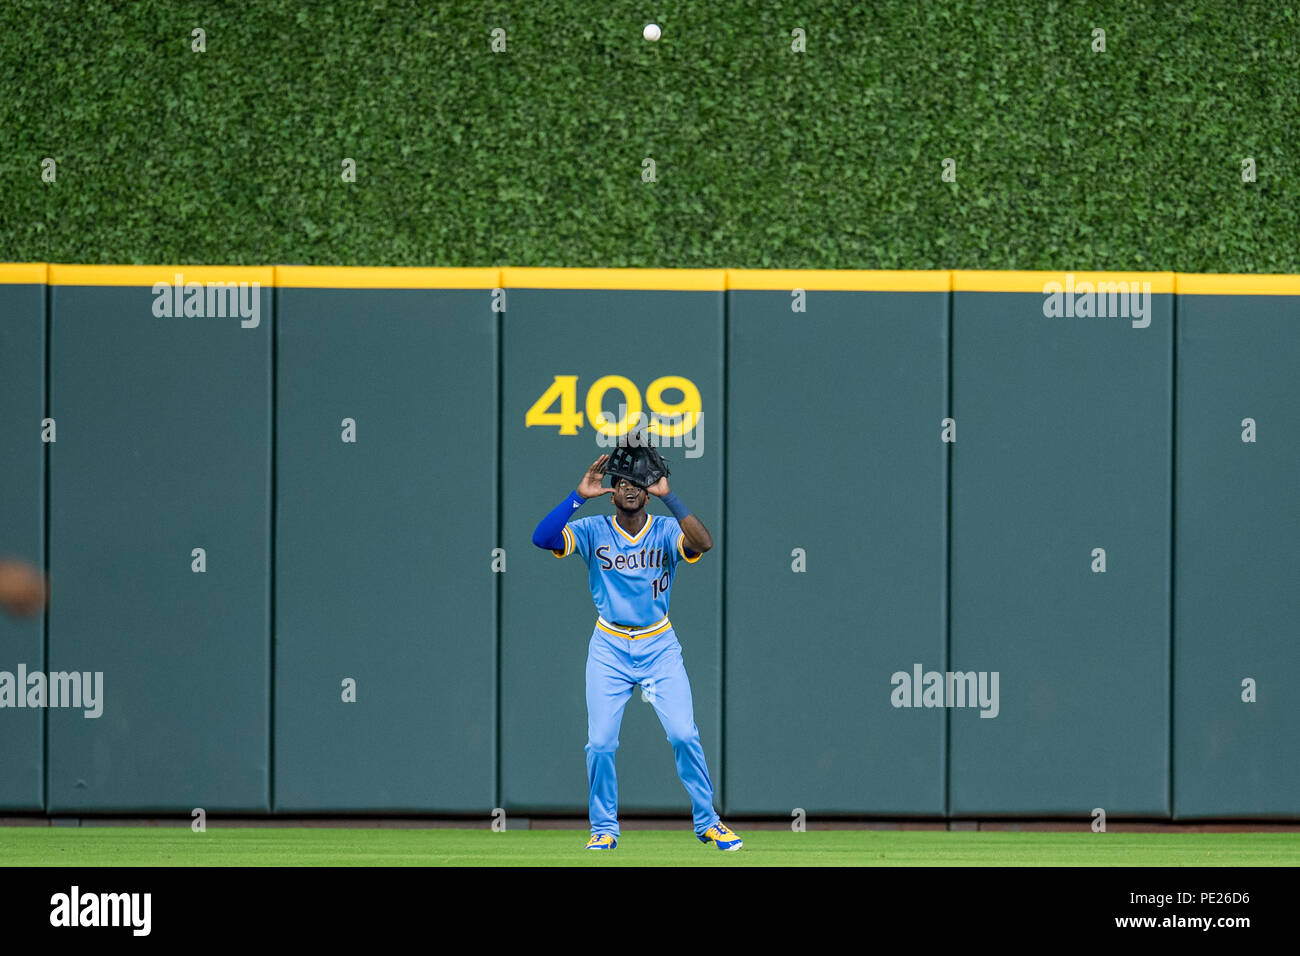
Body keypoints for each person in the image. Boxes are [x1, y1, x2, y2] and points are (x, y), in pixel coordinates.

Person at [532, 449, 742, 851]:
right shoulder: (593, 529)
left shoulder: (665, 530)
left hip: (659, 644)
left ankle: (708, 821)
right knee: (601, 743)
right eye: (623, 483)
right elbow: (542, 538)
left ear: (648, 493)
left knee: (683, 733)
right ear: (612, 492)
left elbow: (705, 542)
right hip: (609, 645)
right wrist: (577, 497)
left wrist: (670, 496)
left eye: (638, 484)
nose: (630, 489)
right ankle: (605, 828)